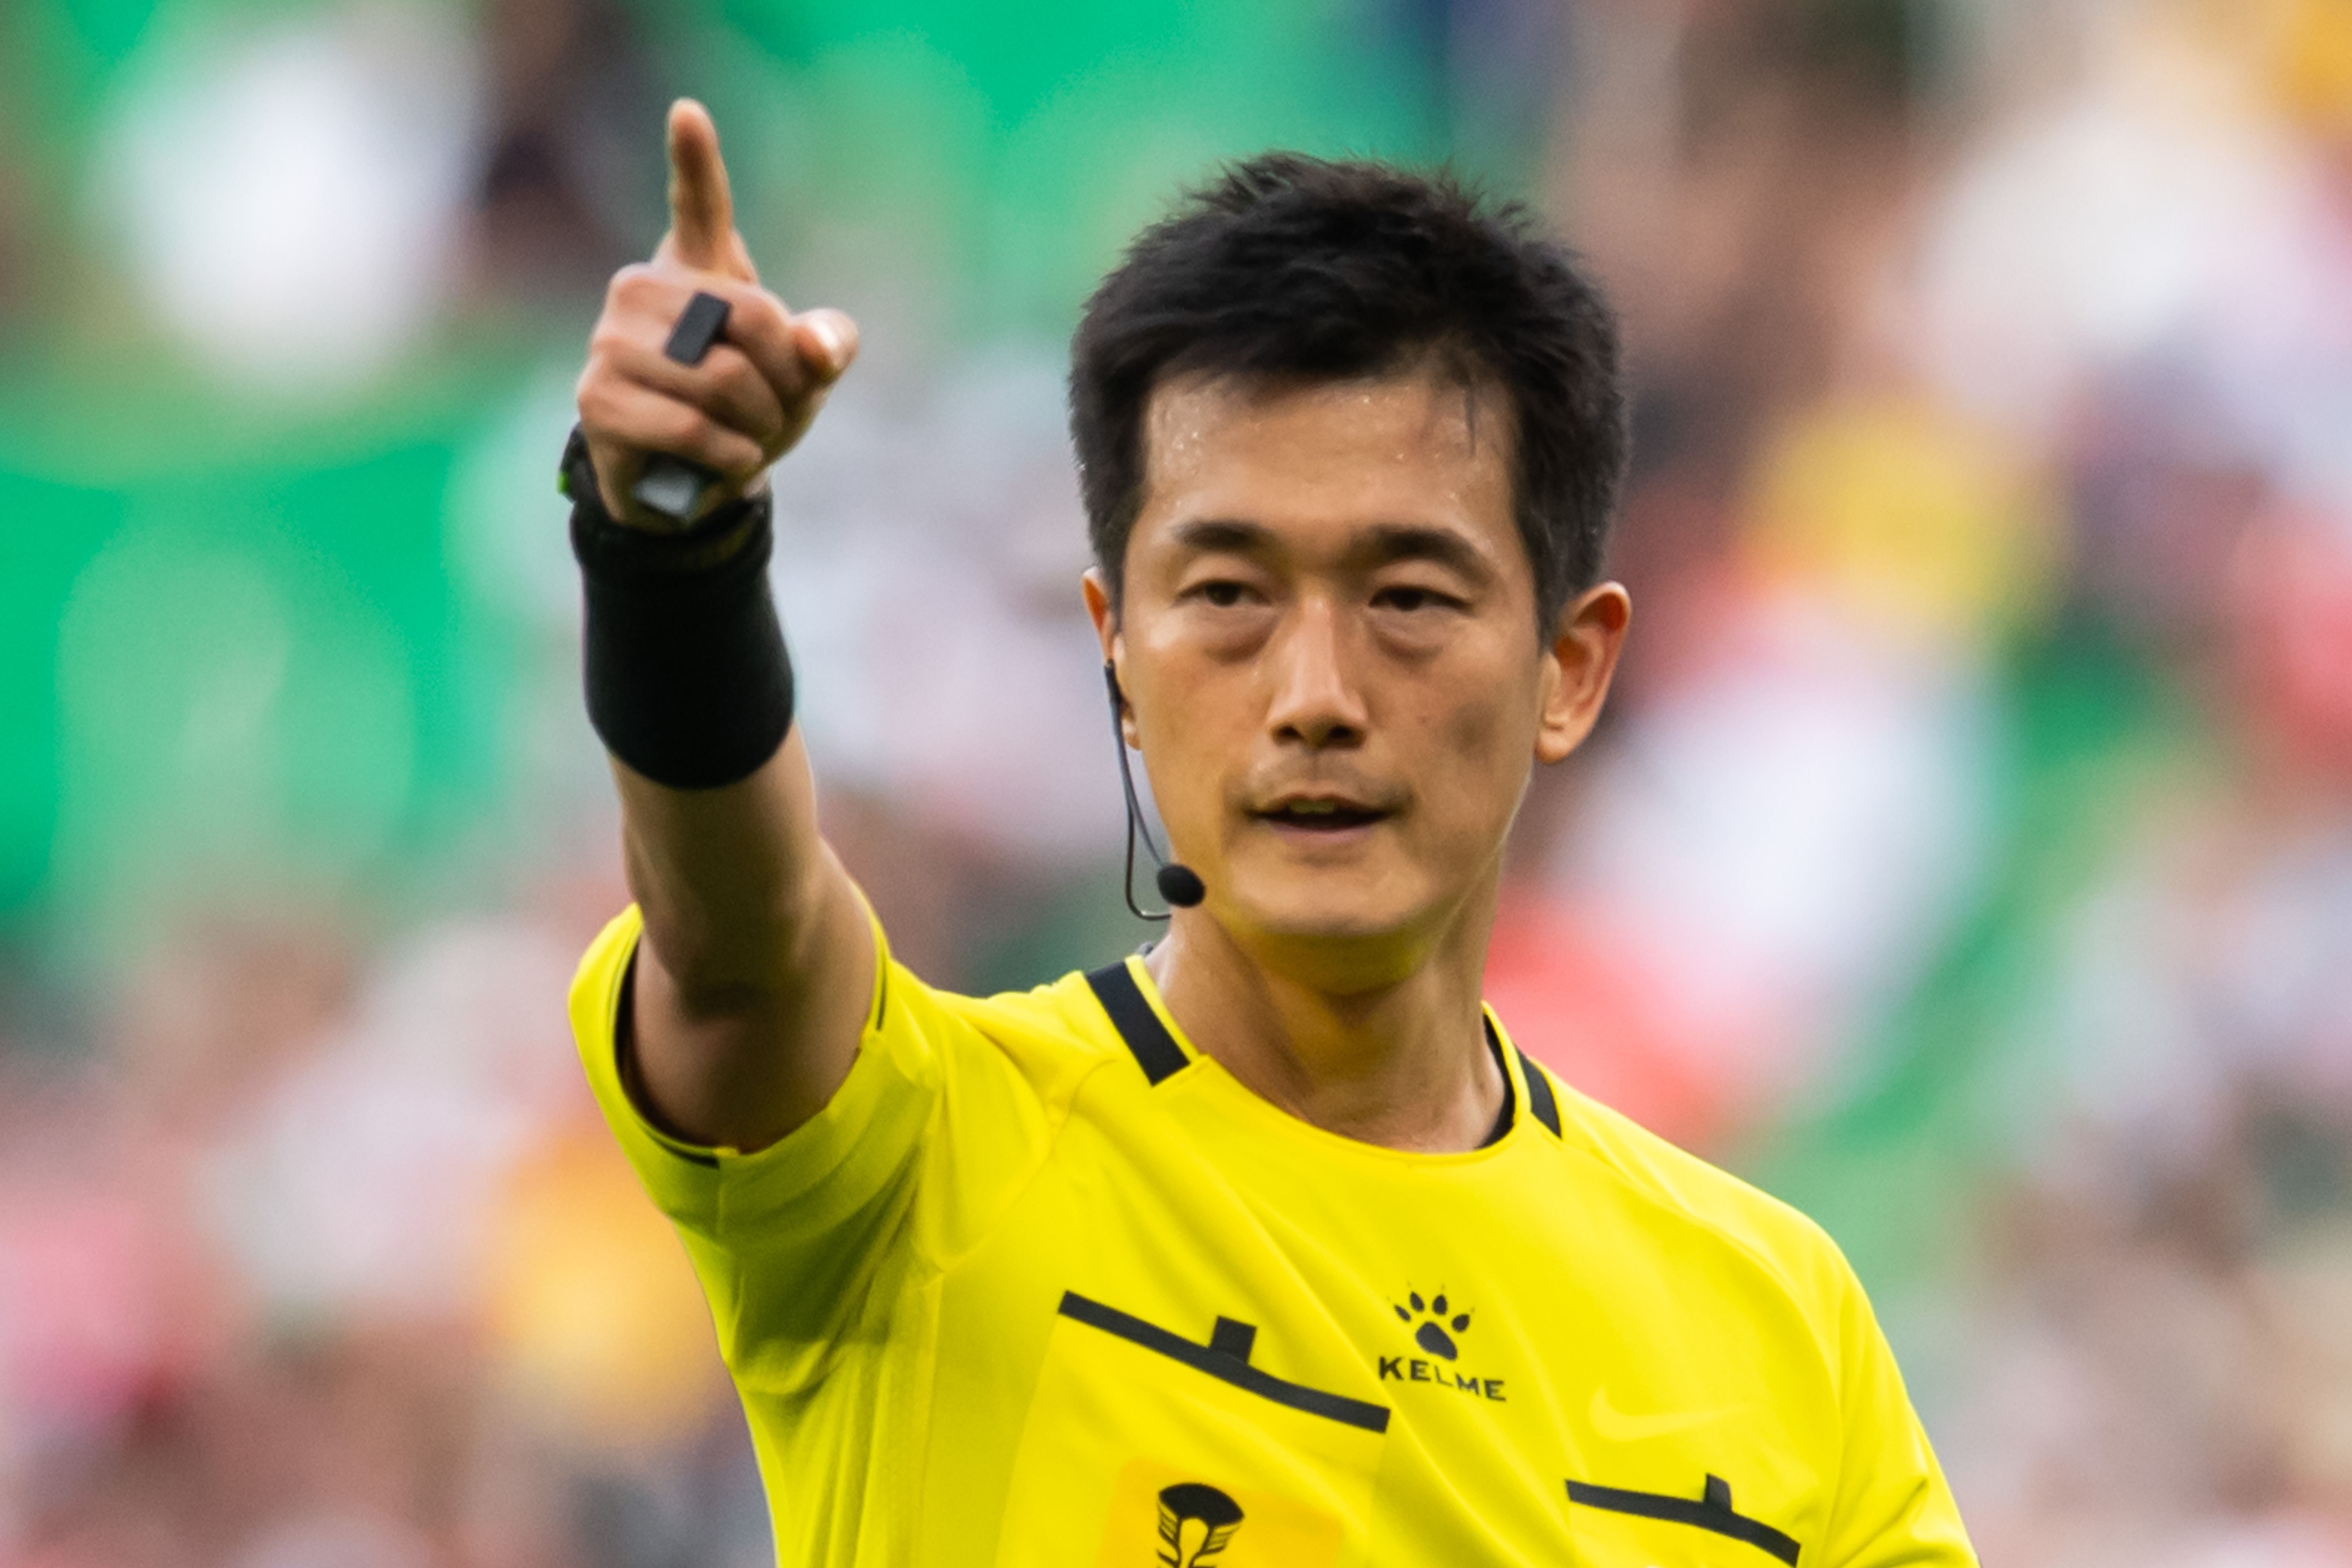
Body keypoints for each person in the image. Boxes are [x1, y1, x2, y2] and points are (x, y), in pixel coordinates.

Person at [562, 99, 1976, 1567]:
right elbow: (739, 946)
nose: (1315, 697)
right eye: (1229, 595)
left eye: (1409, 599)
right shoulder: (917, 1164)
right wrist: (674, 550)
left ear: (1570, 670)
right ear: (1116, 651)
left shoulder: (1784, 1336)